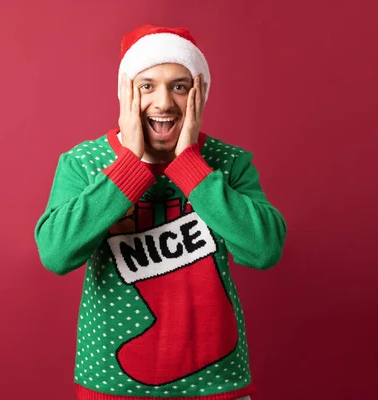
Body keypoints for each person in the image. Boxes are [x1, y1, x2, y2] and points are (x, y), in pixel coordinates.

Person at [34, 24, 286, 400]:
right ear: (125, 92)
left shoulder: (228, 163)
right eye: (147, 86)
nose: (164, 103)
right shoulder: (85, 163)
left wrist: (191, 166)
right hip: (112, 380)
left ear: (199, 92)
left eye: (179, 86)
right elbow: (56, 254)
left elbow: (264, 249)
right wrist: (128, 167)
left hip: (217, 380)